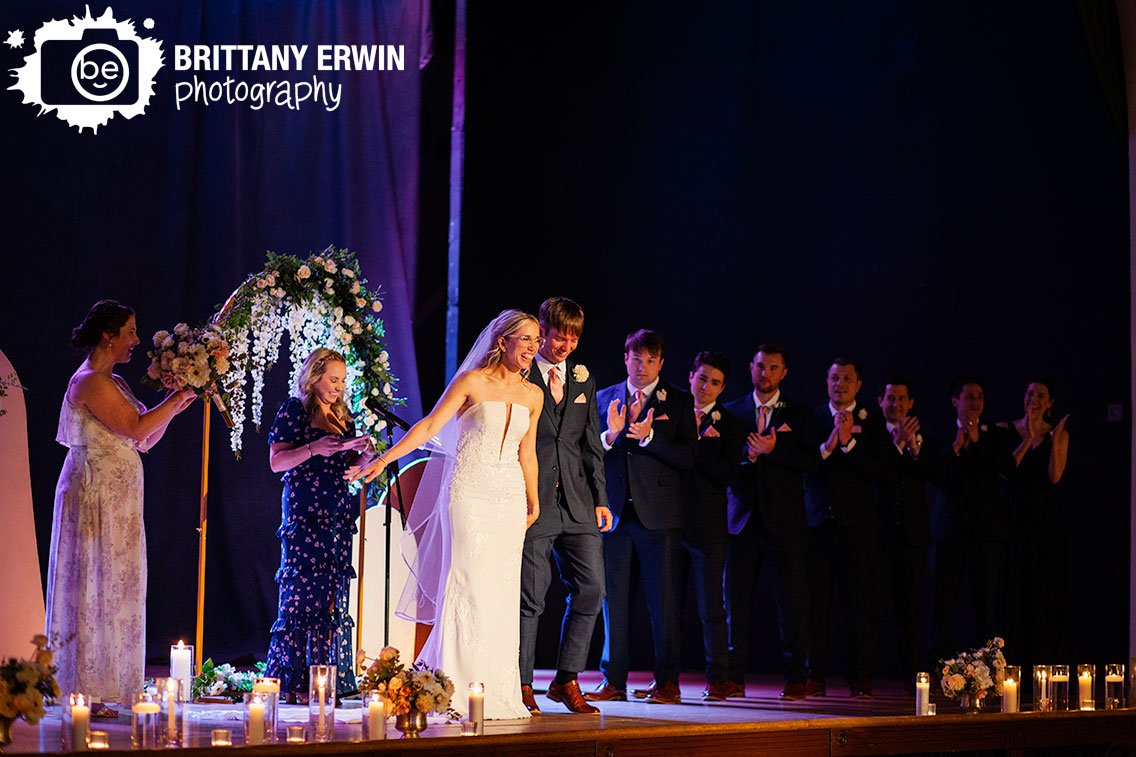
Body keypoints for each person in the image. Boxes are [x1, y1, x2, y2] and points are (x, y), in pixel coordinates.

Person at [349, 309, 542, 720]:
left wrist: (534, 498)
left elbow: (528, 452)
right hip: (470, 493)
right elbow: (429, 426)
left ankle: (495, 689)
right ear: (502, 339)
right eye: (524, 338)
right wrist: (385, 459)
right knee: (468, 583)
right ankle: (452, 685)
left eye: (536, 341)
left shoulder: (533, 395)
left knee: (501, 591)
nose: (531, 347)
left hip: (509, 497)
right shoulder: (472, 382)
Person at [46, 300, 196, 714]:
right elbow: (133, 427)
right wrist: (175, 397)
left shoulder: (116, 382)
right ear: (108, 335)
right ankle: (89, 688)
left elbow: (145, 440)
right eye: (130, 331)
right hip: (96, 496)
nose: (136, 339)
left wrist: (177, 402)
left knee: (117, 585)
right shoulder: (91, 381)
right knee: (94, 584)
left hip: (120, 500)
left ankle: (113, 683)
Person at [586, 329, 696, 705]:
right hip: (614, 513)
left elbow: (688, 459)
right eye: (636, 358)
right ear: (625, 358)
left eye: (650, 360)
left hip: (659, 516)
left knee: (663, 600)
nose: (642, 366)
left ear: (661, 363)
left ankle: (667, 682)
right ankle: (612, 679)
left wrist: (650, 439)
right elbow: (588, 453)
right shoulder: (603, 398)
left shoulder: (679, 401)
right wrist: (610, 435)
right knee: (611, 599)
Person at [520, 298, 611, 715]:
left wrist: (601, 500)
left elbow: (591, 443)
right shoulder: (519, 372)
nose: (566, 345)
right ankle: (522, 684)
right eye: (560, 335)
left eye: (574, 337)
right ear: (543, 330)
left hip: (576, 500)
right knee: (531, 596)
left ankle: (567, 679)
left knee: (592, 588)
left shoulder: (583, 377)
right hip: (533, 499)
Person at [266, 348, 372, 698]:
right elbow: (277, 462)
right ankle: (296, 682)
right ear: (314, 377)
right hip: (306, 514)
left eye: (342, 380)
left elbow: (349, 467)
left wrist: (364, 455)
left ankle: (325, 680)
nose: (338, 387)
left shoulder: (342, 414)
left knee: (330, 595)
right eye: (332, 379)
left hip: (337, 515)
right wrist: (315, 449)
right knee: (303, 595)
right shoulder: (294, 409)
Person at [723, 344, 818, 700]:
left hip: (785, 524)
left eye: (773, 368)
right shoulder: (732, 411)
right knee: (735, 604)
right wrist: (747, 456)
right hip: (741, 521)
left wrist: (774, 450)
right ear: (751, 368)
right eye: (760, 366)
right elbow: (724, 462)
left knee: (792, 603)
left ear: (784, 373)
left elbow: (812, 462)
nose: (766, 373)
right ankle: (732, 677)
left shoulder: (801, 413)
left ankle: (796, 677)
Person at [804, 357, 887, 698]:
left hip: (857, 529)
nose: (840, 384)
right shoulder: (813, 417)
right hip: (818, 525)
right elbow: (806, 465)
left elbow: (878, 470)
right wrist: (829, 445)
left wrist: (849, 443)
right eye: (834, 378)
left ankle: (860, 676)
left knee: (858, 607)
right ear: (826, 382)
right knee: (814, 606)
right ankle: (814, 675)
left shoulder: (871, 419)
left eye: (847, 378)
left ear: (858, 385)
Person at [927, 375, 1015, 665]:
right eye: (969, 396)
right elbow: (936, 475)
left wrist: (976, 443)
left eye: (979, 396)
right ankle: (939, 666)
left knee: (986, 604)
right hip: (949, 531)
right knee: (942, 603)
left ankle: (989, 667)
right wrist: (956, 447)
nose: (975, 402)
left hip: (984, 532)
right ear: (955, 401)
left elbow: (1004, 468)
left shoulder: (995, 436)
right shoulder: (941, 434)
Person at [681, 351, 744, 701]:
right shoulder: (671, 412)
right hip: (672, 523)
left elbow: (729, 474)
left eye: (715, 382)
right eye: (702, 378)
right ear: (691, 376)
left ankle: (719, 677)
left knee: (712, 608)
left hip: (709, 528)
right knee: (668, 607)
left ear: (723, 387)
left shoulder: (730, 423)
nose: (706, 387)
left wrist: (697, 446)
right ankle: (666, 681)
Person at [999, 380, 1070, 669]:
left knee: (1042, 594)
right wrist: (1028, 437)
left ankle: (1041, 668)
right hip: (1013, 519)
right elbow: (1006, 471)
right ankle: (1011, 668)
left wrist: (1053, 440)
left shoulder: (1059, 435)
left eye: (1040, 396)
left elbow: (1055, 476)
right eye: (1030, 394)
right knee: (1013, 593)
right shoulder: (1006, 429)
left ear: (1050, 402)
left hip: (1044, 523)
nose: (1034, 399)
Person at [874, 377, 938, 689]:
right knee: (874, 610)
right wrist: (897, 443)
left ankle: (915, 678)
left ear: (910, 403)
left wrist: (912, 447)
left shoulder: (923, 438)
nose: (895, 404)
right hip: (879, 537)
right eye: (890, 398)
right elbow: (877, 471)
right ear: (880, 402)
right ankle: (867, 678)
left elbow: (933, 473)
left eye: (901, 399)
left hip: (913, 538)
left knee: (912, 611)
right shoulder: (872, 436)